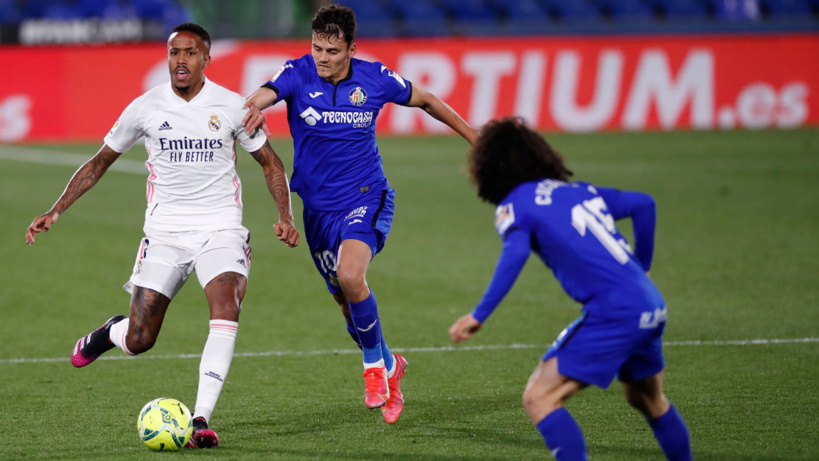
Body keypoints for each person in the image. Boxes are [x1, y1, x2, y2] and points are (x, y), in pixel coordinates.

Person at [25, 23, 299, 449]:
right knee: (139, 340)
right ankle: (108, 334)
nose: (181, 61)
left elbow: (271, 162)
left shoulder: (231, 106)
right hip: (165, 234)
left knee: (226, 304)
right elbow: (100, 161)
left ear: (206, 59)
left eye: (190, 53)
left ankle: (201, 419)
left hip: (220, 227)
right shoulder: (145, 107)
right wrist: (56, 209)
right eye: (174, 53)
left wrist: (285, 214)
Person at [242, 4, 478, 424]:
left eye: (332, 50)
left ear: (352, 48)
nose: (322, 57)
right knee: (348, 306)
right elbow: (262, 93)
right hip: (317, 211)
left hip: (366, 198)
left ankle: (373, 369)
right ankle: (391, 364)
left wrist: (473, 135)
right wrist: (254, 107)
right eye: (317, 47)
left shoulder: (375, 78)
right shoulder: (297, 72)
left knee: (353, 277)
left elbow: (426, 99)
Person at [448, 117, 692, 460]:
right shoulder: (578, 191)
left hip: (615, 313)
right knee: (648, 400)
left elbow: (515, 253)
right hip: (650, 304)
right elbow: (643, 204)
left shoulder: (516, 205)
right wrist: (644, 267)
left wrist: (480, 313)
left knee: (540, 397)